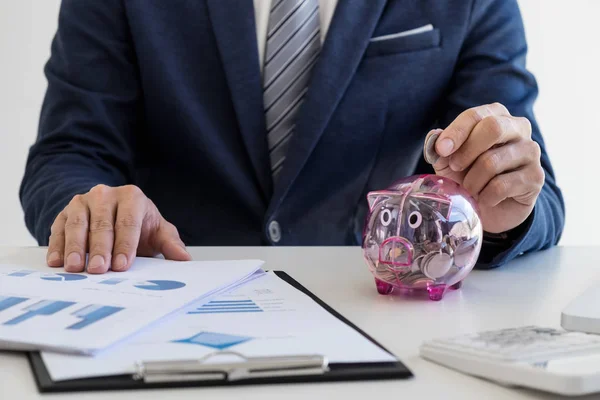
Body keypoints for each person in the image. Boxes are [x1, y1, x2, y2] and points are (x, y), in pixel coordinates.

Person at [19, 0, 565, 275]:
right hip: (169, 305)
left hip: (382, 313)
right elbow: (68, 152)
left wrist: (502, 209)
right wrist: (91, 212)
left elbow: (534, 186)